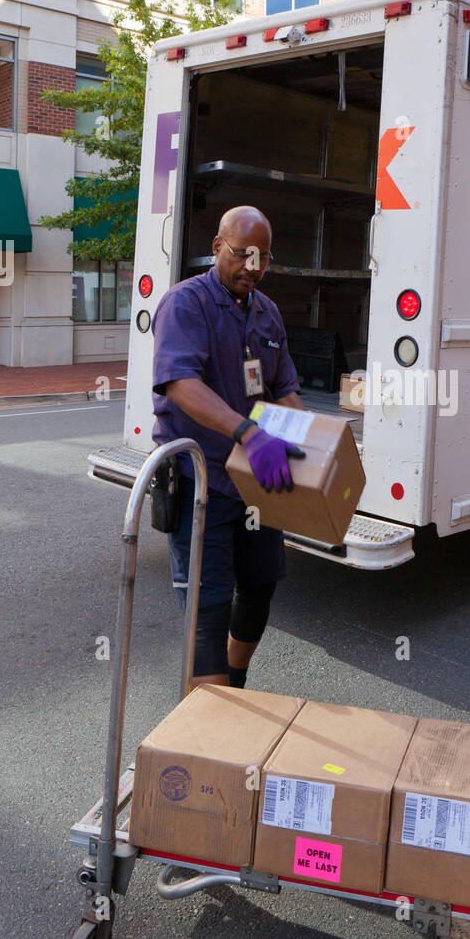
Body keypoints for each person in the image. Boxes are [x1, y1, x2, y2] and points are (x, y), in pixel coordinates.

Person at [151, 204, 306, 690]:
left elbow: (283, 389)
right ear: (217, 248)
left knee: (259, 590)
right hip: (203, 481)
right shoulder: (186, 304)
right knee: (208, 609)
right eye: (243, 255)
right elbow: (179, 382)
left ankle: (233, 685)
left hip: (256, 481)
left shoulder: (267, 313)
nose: (253, 267)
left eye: (263, 258)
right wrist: (248, 433)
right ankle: (211, 740)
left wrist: (316, 449)